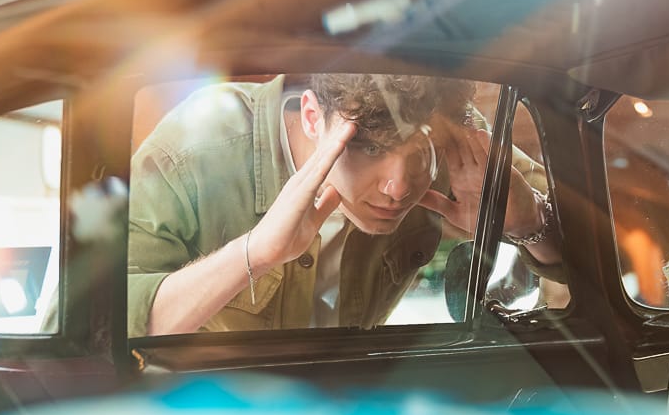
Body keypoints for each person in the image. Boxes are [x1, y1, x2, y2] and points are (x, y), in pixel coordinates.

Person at [127, 73, 560, 336]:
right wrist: (255, 254)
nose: (397, 188)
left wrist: (529, 222)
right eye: (369, 149)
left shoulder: (461, 144)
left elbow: (601, 255)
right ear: (314, 117)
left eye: (419, 153)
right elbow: (93, 330)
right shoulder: (193, 149)